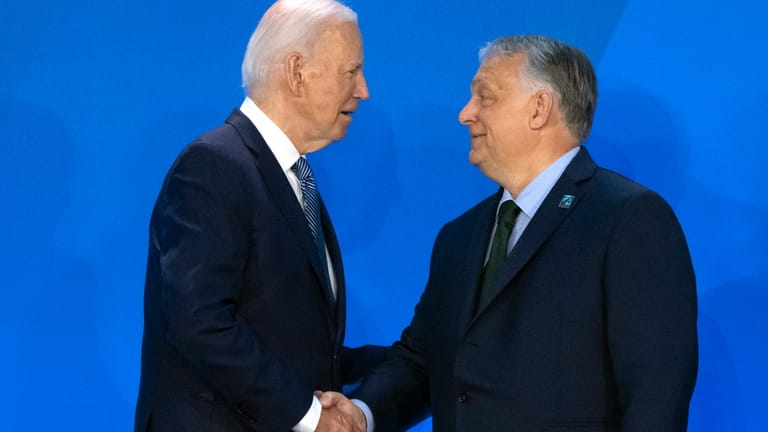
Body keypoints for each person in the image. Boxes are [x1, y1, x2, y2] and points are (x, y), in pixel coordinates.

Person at [320, 35, 698, 432]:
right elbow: (424, 361)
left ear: (539, 109)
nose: (466, 114)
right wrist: (360, 415)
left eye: (486, 97)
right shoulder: (459, 237)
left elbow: (655, 393)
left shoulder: (627, 219)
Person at [134, 1, 388, 431]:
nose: (363, 90)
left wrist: (416, 361)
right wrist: (310, 417)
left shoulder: (291, 177)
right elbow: (200, 321)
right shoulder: (214, 166)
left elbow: (295, 346)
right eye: (351, 71)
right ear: (296, 71)